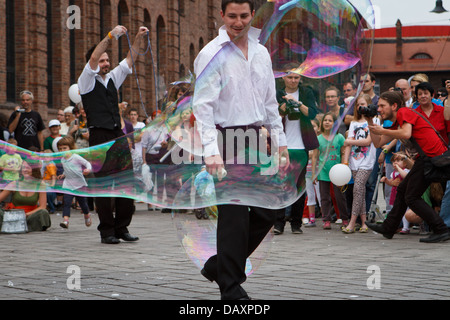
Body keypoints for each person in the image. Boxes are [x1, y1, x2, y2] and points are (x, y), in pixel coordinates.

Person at [192, 0, 289, 300]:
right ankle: (231, 288)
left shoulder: (261, 53)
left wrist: (281, 142)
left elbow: (270, 104)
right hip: (225, 138)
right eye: (231, 16)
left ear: (252, 15)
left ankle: (219, 266)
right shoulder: (211, 54)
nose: (238, 22)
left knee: (269, 210)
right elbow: (203, 108)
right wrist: (210, 151)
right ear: (221, 15)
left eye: (244, 15)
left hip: (255, 139)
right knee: (234, 214)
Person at [77, 24, 149, 244]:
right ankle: (107, 231)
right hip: (99, 136)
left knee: (126, 181)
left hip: (117, 135)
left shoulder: (112, 79)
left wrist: (138, 37)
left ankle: (122, 228)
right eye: (102, 60)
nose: (106, 63)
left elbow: (130, 59)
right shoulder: (86, 80)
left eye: (108, 60)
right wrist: (109, 36)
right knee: (104, 185)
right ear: (93, 63)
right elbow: (95, 56)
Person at [366, 91, 450, 243]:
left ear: (394, 106)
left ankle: (441, 229)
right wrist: (370, 122)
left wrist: (382, 130)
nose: (379, 109)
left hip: (431, 157)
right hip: (425, 158)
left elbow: (405, 133)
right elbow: (378, 142)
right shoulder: (398, 122)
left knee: (411, 196)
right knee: (403, 189)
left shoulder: (404, 111)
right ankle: (389, 227)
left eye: (382, 106)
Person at [274, 71, 319, 234]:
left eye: (296, 77)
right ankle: (278, 223)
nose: (293, 80)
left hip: (301, 145)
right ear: (283, 78)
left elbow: (312, 113)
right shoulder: (277, 93)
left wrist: (297, 103)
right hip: (282, 145)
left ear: (300, 79)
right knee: (281, 184)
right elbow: (274, 114)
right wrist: (285, 105)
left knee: (299, 186)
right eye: (290, 77)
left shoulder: (306, 92)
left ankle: (296, 223)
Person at [341, 94, 379, 233]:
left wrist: (349, 141)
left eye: (362, 104)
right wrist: (345, 162)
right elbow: (347, 146)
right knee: (360, 191)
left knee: (357, 188)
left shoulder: (374, 120)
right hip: (353, 161)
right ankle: (364, 223)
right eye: (358, 105)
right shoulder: (353, 123)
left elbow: (368, 141)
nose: (360, 107)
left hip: (367, 161)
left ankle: (352, 223)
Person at [311, 112, 348, 229]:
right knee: (324, 197)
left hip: (337, 172)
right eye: (325, 120)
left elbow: (343, 153)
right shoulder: (318, 139)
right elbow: (315, 157)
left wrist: (344, 167)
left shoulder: (339, 137)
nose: (327, 122)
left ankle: (344, 218)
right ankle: (326, 219)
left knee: (340, 196)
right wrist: (314, 173)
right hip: (323, 171)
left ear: (334, 124)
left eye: (330, 120)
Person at [0, 161, 51, 232]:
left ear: (34, 169)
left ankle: (27, 227)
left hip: (31, 216)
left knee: (43, 212)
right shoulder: (14, 184)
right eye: (23, 168)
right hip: (14, 216)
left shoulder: (40, 184)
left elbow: (42, 206)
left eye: (28, 168)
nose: (25, 170)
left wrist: (26, 214)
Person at [56, 136, 92, 229]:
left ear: (70, 148)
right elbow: (67, 169)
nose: (62, 150)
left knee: (82, 203)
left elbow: (87, 163)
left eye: (65, 148)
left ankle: (87, 215)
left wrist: (88, 169)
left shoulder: (75, 157)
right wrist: (63, 174)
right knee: (67, 203)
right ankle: (66, 221)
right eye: (60, 149)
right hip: (68, 184)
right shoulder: (62, 159)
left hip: (79, 184)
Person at [381, 151, 411, 233]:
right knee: (397, 210)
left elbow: (404, 176)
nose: (395, 163)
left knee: (405, 211)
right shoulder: (393, 173)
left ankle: (406, 227)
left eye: (398, 161)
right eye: (394, 161)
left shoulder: (406, 170)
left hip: (405, 194)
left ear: (405, 163)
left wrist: (398, 168)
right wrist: (386, 181)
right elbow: (392, 183)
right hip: (395, 194)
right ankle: (398, 226)